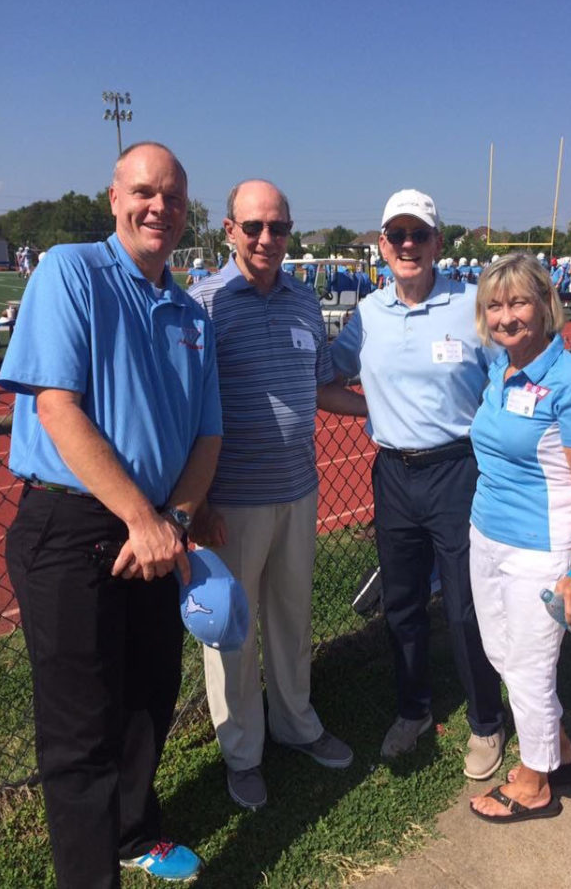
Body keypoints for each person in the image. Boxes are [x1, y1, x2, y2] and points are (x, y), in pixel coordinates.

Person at [1, 142, 223, 886]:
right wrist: (140, 517)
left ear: (188, 212)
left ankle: (134, 831)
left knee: (149, 699)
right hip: (73, 529)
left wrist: (176, 519)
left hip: (159, 529)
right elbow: (57, 407)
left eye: (173, 197)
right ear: (114, 197)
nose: (157, 206)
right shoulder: (71, 270)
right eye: (143, 191)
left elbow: (207, 432)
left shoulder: (190, 310)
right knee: (80, 733)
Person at [189, 179, 367, 811]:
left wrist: (387, 416)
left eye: (280, 228)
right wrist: (196, 503)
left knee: (292, 621)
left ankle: (296, 724)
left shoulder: (301, 300)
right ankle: (242, 752)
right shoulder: (204, 304)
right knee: (233, 635)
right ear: (230, 229)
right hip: (229, 503)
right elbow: (188, 408)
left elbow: (319, 384)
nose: (268, 239)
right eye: (255, 226)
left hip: (298, 492)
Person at [331, 189, 505, 778]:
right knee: (402, 604)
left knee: (464, 605)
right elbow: (326, 380)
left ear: (437, 242)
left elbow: (506, 380)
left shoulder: (471, 303)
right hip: (394, 476)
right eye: (397, 235)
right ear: (382, 245)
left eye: (419, 235)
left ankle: (486, 721)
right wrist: (376, 413)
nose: (408, 245)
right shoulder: (368, 315)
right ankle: (414, 710)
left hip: (459, 470)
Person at [467, 253, 571, 823]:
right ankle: (561, 750)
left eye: (518, 301)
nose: (506, 316)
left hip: (540, 546)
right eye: (494, 305)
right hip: (488, 534)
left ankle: (534, 782)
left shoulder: (569, 381)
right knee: (503, 653)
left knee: (528, 664)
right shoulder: (497, 368)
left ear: (544, 305)